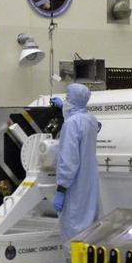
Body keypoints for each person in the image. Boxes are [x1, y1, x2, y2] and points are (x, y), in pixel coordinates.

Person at [54, 83, 101, 239]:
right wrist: (63, 109)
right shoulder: (91, 120)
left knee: (74, 228)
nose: (65, 100)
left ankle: (73, 262)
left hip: (75, 186)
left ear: (73, 100)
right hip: (90, 183)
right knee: (89, 227)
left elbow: (69, 161)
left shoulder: (71, 124)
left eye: (67, 98)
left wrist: (61, 188)